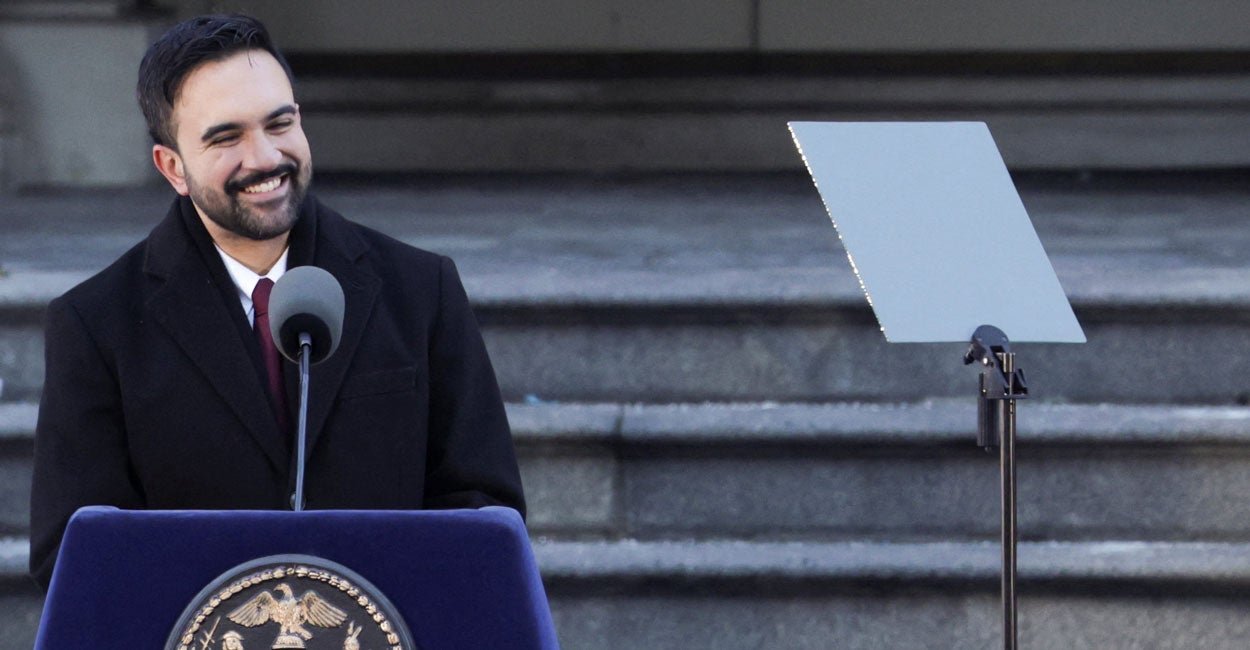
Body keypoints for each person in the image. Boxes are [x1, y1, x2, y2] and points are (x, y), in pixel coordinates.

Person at [29, 14, 525, 590]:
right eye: (226, 137)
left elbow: (485, 511)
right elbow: (73, 555)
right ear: (173, 167)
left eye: (279, 123)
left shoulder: (421, 289)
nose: (265, 158)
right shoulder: (95, 324)